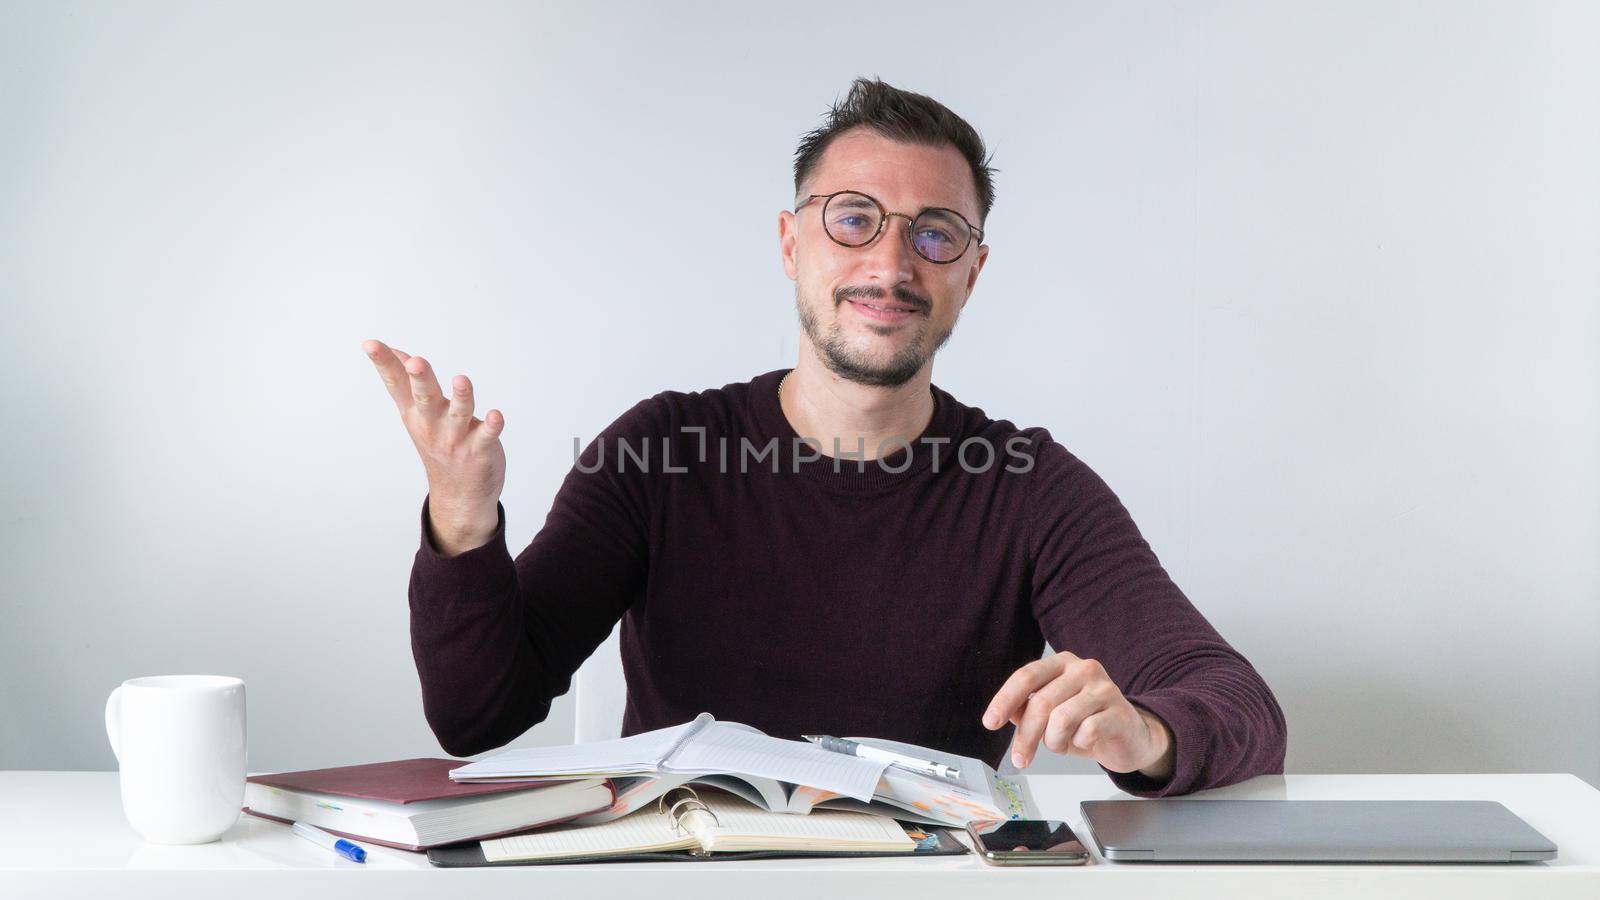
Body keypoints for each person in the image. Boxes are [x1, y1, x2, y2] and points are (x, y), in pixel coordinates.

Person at [363, 77, 1287, 797]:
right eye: (854, 220)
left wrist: (1146, 735)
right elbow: (477, 717)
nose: (890, 264)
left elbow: (1241, 708)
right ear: (791, 243)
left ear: (972, 272)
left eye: (935, 235)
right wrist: (461, 522)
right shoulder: (661, 450)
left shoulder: (1026, 483)